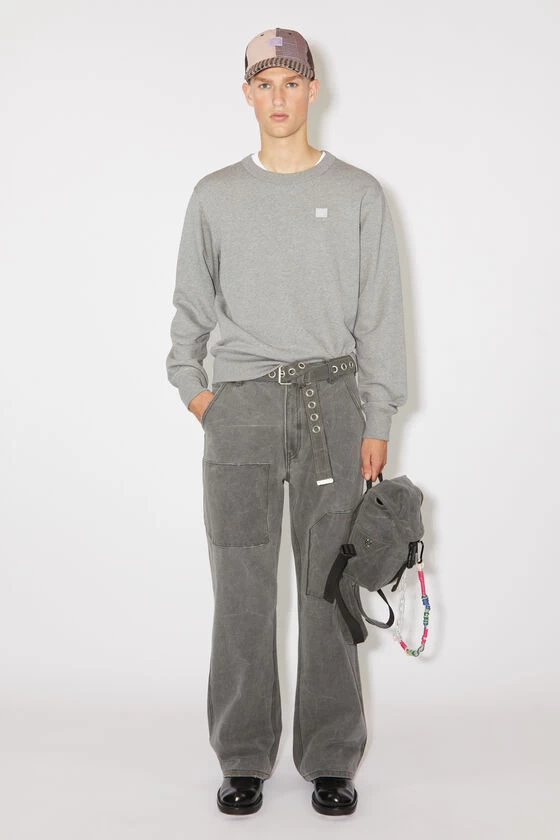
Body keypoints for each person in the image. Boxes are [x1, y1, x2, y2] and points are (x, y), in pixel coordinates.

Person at [165, 27, 408, 817]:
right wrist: (198, 395)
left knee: (329, 586)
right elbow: (190, 311)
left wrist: (377, 413)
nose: (278, 98)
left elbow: (381, 314)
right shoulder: (214, 195)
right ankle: (242, 756)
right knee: (240, 590)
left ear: (313, 90)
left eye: (291, 82)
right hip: (239, 411)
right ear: (246, 93)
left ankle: (331, 758)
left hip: (332, 406)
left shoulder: (360, 194)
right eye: (264, 83)